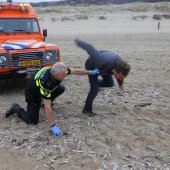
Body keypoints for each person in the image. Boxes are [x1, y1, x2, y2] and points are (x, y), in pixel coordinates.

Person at [5, 62, 100, 136]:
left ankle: (43, 101)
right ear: (55, 75)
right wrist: (53, 126)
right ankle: (16, 108)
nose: (65, 76)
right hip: (33, 93)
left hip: (43, 88)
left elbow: (75, 71)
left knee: (61, 88)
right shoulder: (46, 83)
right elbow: (48, 108)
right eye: (63, 75)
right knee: (32, 121)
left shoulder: (58, 70)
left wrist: (90, 72)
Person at [75, 39, 131, 116]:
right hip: (92, 65)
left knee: (110, 83)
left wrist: (121, 86)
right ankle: (87, 110)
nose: (121, 79)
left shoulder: (120, 66)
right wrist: (77, 41)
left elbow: (121, 75)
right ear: (115, 72)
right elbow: (89, 47)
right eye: (121, 77)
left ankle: (94, 84)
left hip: (106, 68)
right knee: (94, 89)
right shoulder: (101, 60)